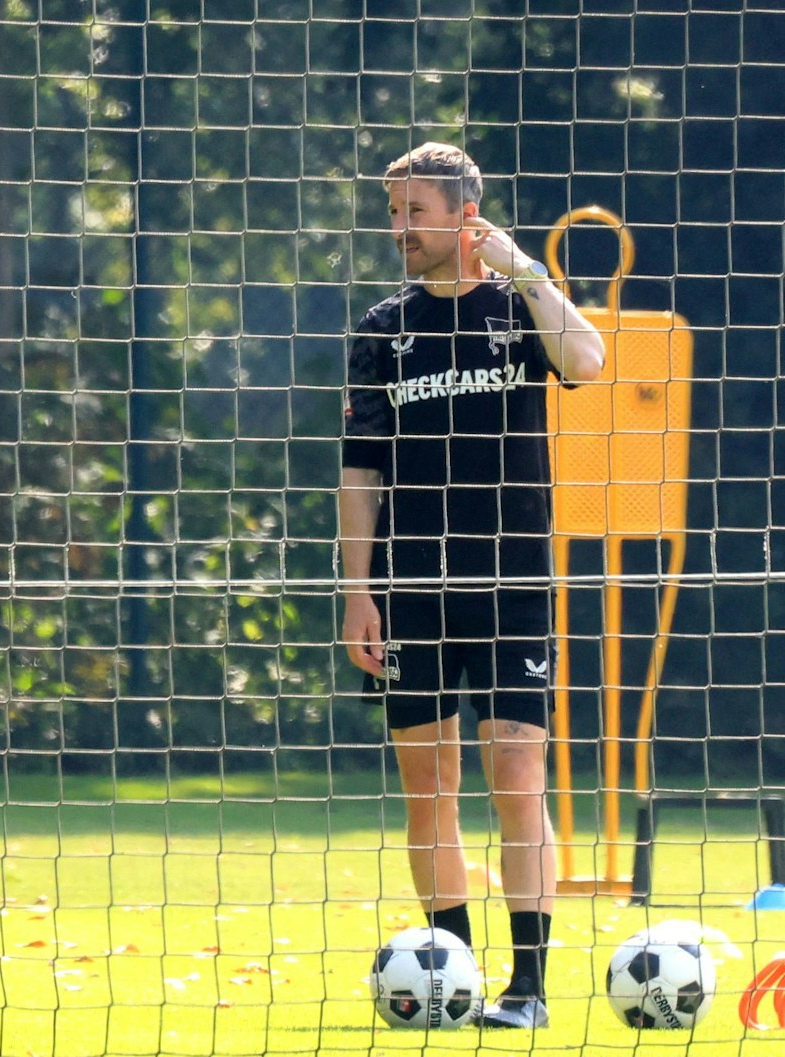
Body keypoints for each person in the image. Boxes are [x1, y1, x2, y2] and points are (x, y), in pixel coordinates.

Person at [339, 143, 605, 1029]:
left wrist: (527, 269)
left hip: (514, 577)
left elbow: (592, 361)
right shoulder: (383, 328)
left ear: (463, 217)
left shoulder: (519, 306)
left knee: (518, 772)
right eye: (392, 211)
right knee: (431, 783)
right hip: (411, 584)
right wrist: (357, 591)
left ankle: (528, 989)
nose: (399, 229)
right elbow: (360, 476)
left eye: (413, 210)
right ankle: (450, 976)